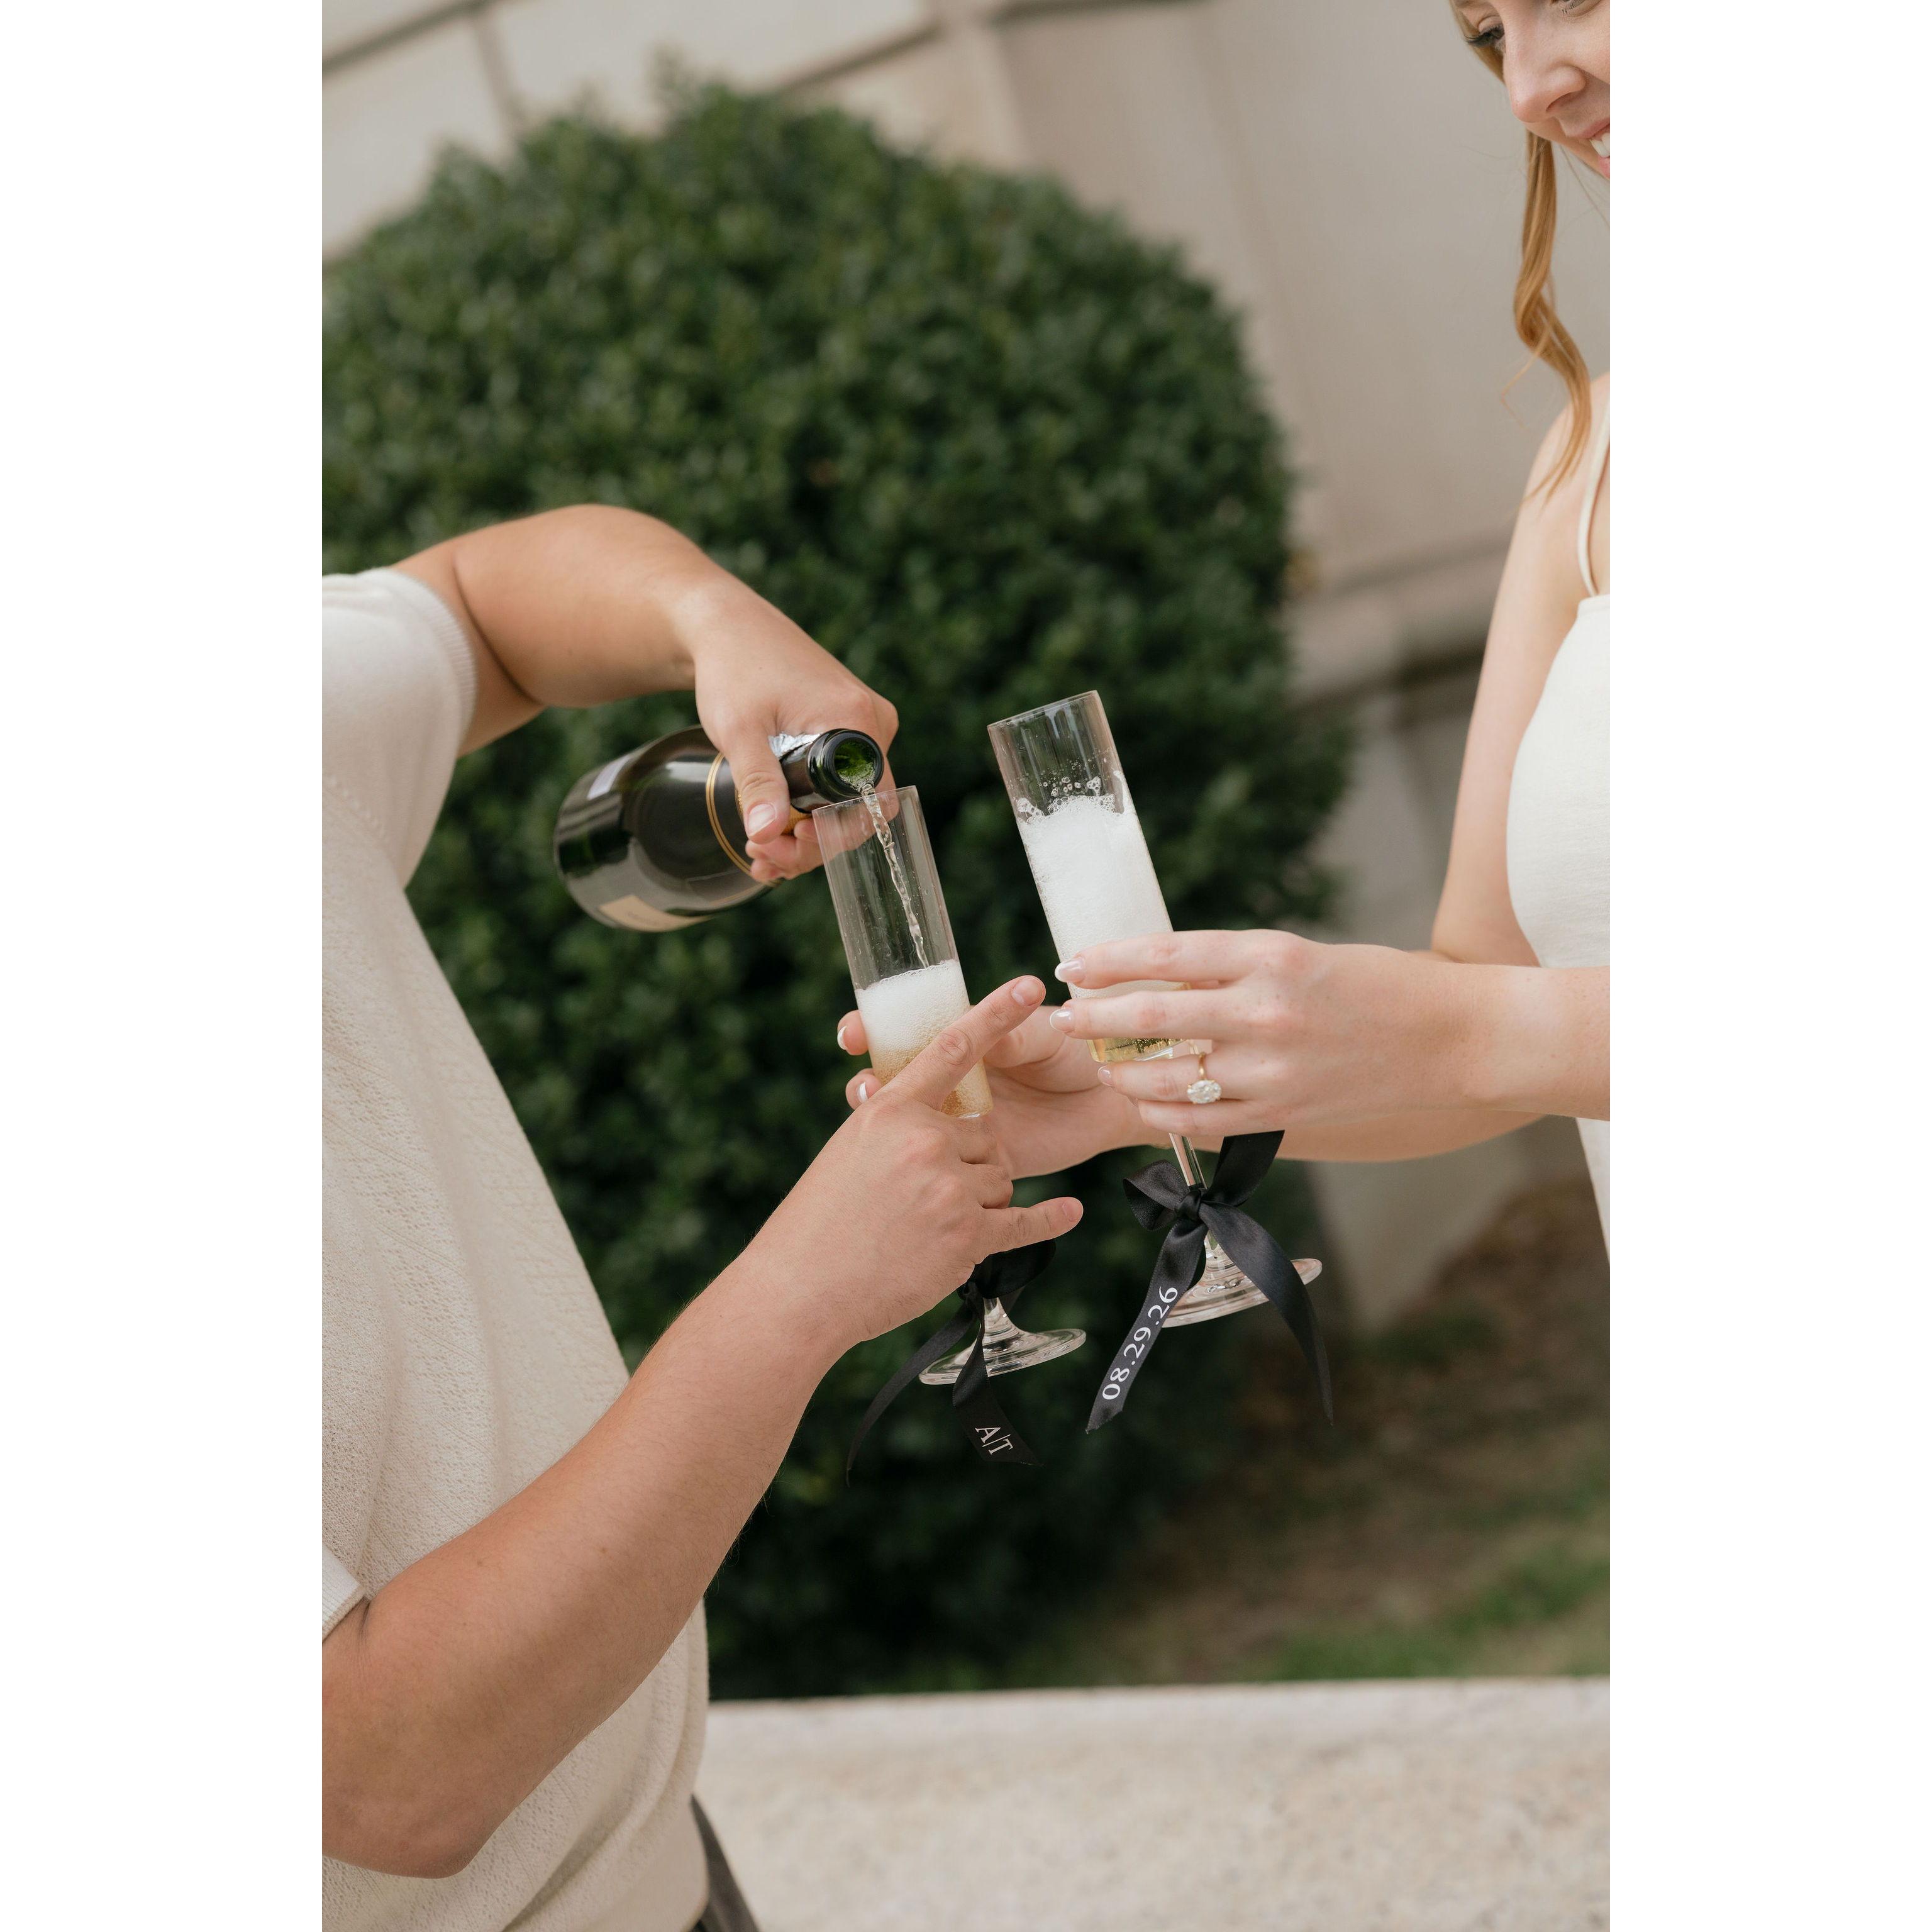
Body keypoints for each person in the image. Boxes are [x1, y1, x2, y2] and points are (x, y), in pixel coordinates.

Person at [321, 506, 1092, 1931]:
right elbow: (388, 1773)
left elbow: (480, 602)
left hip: (669, 1879)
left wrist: (710, 618)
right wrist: (803, 1289)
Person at [839, 0, 1611, 1236]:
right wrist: (1134, 1090)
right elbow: (1492, 1008)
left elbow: (1487, 1028)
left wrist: (1473, 1028)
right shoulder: (1589, 462)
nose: (1527, 88)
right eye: (1485, 32)